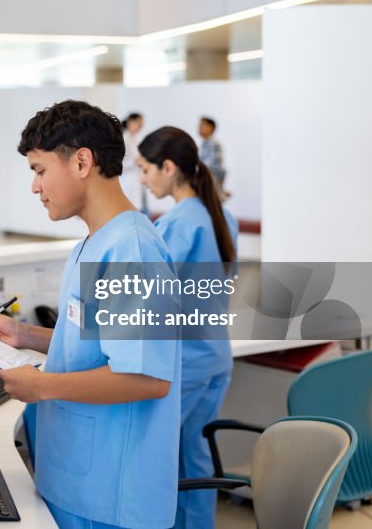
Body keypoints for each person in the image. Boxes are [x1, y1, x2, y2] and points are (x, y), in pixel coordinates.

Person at [0, 100, 182, 529]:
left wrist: (41, 385)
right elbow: (97, 341)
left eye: (40, 170)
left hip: (110, 496)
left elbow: (146, 378)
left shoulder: (132, 251)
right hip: (77, 478)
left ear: (82, 162)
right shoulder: (95, 242)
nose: (35, 186)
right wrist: (26, 335)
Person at [138, 126, 238, 529]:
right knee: (194, 457)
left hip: (188, 364)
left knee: (153, 459)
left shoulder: (179, 223)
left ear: (168, 167)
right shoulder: (221, 215)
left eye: (145, 169)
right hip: (215, 357)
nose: (142, 179)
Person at [119, 112, 145, 213]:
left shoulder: (133, 139)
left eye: (141, 125)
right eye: (139, 124)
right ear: (130, 122)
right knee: (129, 208)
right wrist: (136, 162)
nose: (140, 127)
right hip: (127, 179)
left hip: (135, 179)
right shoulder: (125, 139)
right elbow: (120, 164)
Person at [197, 116, 227, 191]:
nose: (199, 127)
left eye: (202, 125)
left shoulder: (214, 144)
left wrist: (219, 189)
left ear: (210, 128)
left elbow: (216, 168)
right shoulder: (204, 145)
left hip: (211, 186)